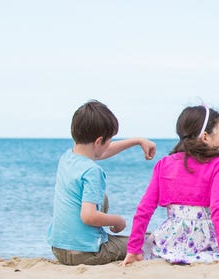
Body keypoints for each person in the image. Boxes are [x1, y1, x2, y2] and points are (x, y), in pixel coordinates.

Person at [123, 105, 219, 265]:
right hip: (207, 239)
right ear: (205, 136)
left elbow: (145, 208)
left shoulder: (164, 164)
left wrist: (133, 249)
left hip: (171, 238)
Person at [47, 100, 157, 266]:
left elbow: (103, 151)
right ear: (98, 142)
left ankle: (97, 237)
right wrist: (117, 221)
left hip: (59, 249)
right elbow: (88, 216)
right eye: (109, 140)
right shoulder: (92, 171)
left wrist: (137, 141)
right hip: (85, 253)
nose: (109, 144)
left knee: (100, 198)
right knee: (147, 240)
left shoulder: (67, 158)